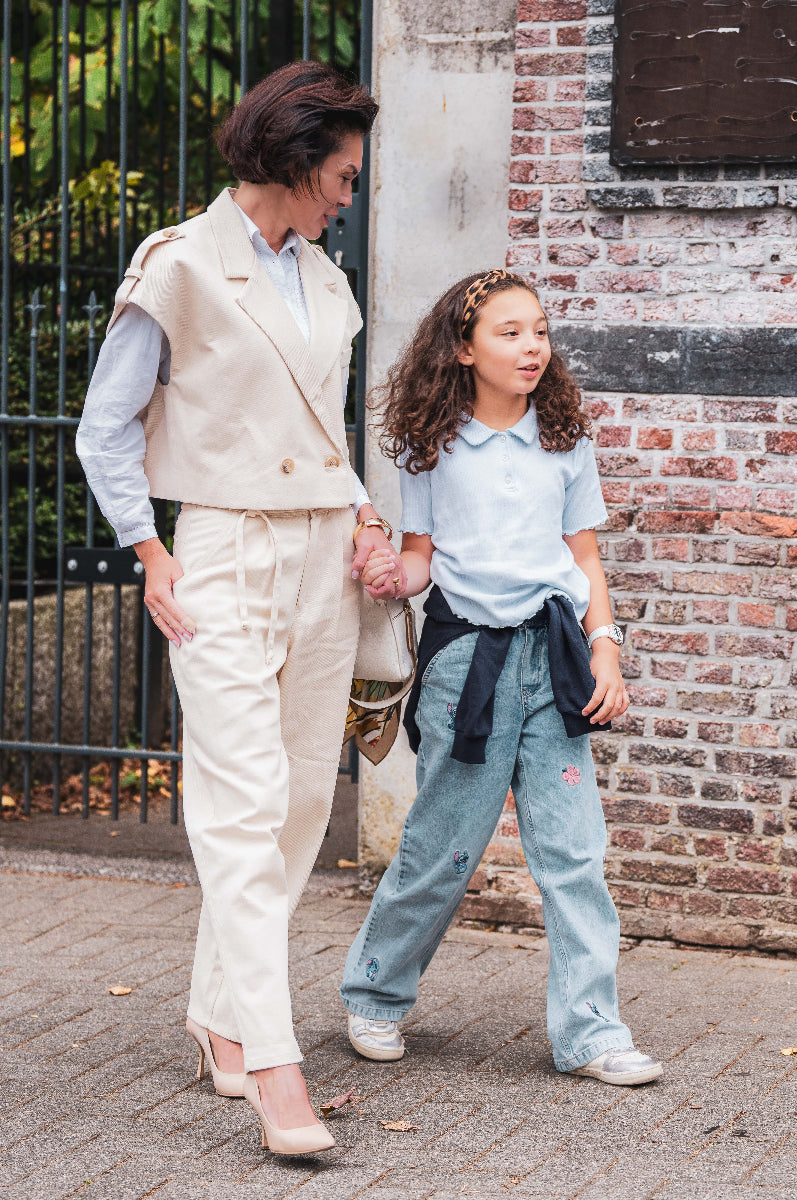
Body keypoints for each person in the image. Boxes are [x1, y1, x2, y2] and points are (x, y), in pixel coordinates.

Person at [77, 61, 407, 1155]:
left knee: (302, 805)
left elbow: (324, 427)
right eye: (346, 172)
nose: (353, 193)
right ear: (297, 153)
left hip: (323, 550)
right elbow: (104, 427)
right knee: (240, 806)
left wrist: (361, 513)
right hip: (219, 551)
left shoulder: (326, 279)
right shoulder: (179, 265)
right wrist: (148, 550)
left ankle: (220, 1019)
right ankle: (275, 1068)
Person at [339, 269, 663, 1087]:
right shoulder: (431, 444)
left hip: (554, 661)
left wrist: (606, 650)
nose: (531, 347)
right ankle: (373, 995)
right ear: (462, 348)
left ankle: (590, 1033)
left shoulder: (564, 439)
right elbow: (421, 557)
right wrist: (389, 576)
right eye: (510, 332)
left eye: (540, 331)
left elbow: (582, 555)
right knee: (441, 849)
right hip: (465, 667)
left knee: (573, 853)